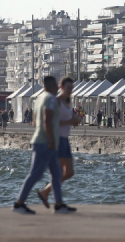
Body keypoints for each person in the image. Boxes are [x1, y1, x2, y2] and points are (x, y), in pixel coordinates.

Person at [13, 76, 75, 215]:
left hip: (44, 140)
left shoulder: (39, 98)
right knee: (35, 175)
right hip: (46, 143)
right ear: (55, 87)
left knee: (57, 173)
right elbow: (47, 120)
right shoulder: (51, 99)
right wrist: (52, 141)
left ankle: (59, 205)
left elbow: (35, 121)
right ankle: (19, 203)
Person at [38, 77, 82, 208]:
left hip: (65, 139)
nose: (70, 91)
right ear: (61, 87)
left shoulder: (67, 102)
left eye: (72, 88)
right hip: (58, 139)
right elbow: (52, 122)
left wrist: (75, 120)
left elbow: (66, 118)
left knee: (69, 172)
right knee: (58, 172)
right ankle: (57, 202)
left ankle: (46, 191)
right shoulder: (56, 102)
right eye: (68, 88)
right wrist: (70, 121)